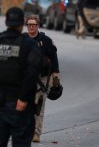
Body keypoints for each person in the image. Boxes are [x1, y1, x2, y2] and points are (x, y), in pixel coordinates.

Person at [0, 7, 41, 146]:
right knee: (21, 142)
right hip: (20, 105)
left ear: (6, 22)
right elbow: (33, 74)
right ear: (22, 24)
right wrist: (23, 99)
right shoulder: (29, 45)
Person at [23, 15, 60, 143]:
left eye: (34, 24)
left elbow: (54, 57)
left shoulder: (46, 40)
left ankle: (36, 133)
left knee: (39, 106)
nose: (31, 27)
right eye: (29, 25)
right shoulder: (22, 40)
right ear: (26, 25)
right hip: (25, 77)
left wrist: (55, 74)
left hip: (42, 78)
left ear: (38, 26)